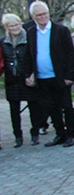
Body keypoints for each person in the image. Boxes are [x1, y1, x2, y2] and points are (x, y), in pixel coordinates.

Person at [25, 0, 74, 148]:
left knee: (66, 106)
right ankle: (60, 133)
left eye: (44, 14)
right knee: (51, 107)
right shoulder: (31, 33)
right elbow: (28, 55)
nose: (42, 17)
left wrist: (69, 76)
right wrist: (29, 75)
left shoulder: (61, 30)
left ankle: (70, 135)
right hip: (42, 78)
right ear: (33, 16)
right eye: (39, 15)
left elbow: (70, 54)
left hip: (60, 77)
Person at [2, 13, 38, 147]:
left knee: (34, 107)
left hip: (27, 77)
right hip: (12, 80)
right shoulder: (3, 42)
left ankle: (35, 133)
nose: (15, 27)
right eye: (12, 25)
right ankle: (18, 136)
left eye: (17, 24)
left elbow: (35, 58)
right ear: (7, 27)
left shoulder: (29, 38)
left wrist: (33, 75)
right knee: (14, 110)